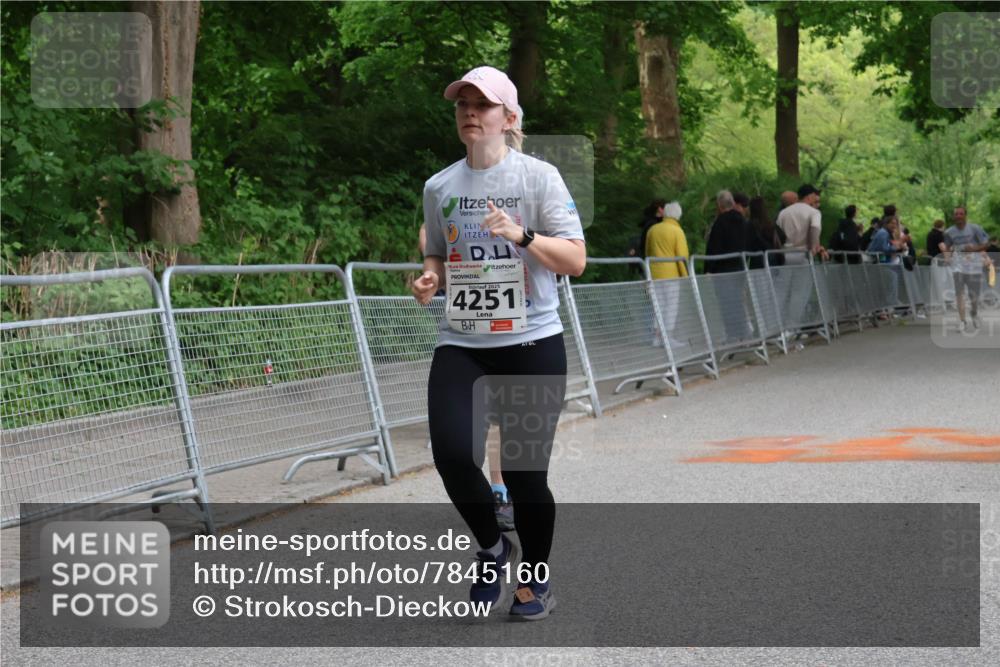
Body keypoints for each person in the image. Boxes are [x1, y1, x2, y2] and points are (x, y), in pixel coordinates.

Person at [413, 65, 585, 620]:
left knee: (524, 473)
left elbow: (575, 260)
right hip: (462, 342)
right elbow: (436, 251)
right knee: (451, 454)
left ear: (508, 118)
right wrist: (431, 277)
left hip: (531, 341)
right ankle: (492, 546)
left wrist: (522, 235)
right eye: (462, 103)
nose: (470, 111)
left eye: (482, 104)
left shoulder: (538, 178)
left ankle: (534, 579)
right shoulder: (439, 186)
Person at [419, 222, 513, 532]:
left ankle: (500, 490)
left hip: (508, 327)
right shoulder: (443, 206)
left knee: (499, 414)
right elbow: (429, 244)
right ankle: (483, 492)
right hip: (463, 333)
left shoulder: (508, 211)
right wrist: (435, 273)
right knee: (467, 425)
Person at [775, 184, 823, 333]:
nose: (816, 198)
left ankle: (776, 326)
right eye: (814, 195)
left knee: (781, 292)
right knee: (799, 293)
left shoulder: (783, 213)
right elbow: (814, 230)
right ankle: (792, 327)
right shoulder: (814, 212)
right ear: (809, 196)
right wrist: (815, 247)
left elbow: (777, 235)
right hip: (803, 255)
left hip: (785, 255)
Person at [706, 190, 753, 341]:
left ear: (719, 206)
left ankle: (732, 334)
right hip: (739, 266)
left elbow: (714, 247)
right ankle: (743, 333)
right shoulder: (742, 220)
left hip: (723, 269)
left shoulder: (720, 222)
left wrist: (709, 269)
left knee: (726, 302)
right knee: (738, 301)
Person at [645, 201, 689, 349]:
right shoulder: (677, 231)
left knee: (658, 305)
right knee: (671, 306)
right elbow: (681, 257)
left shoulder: (652, 230)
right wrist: (686, 276)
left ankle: (657, 338)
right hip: (671, 275)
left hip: (654, 273)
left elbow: (647, 252)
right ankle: (668, 337)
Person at [940, 206, 990, 331]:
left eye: (961, 214)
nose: (958, 216)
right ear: (953, 216)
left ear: (965, 215)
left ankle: (974, 313)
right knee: (959, 293)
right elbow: (947, 247)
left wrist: (974, 249)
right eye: (956, 214)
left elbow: (986, 244)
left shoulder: (975, 228)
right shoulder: (949, 232)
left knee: (974, 295)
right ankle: (962, 321)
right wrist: (947, 258)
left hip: (974, 265)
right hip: (958, 266)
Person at [747, 195, 786, 269]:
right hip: (773, 258)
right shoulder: (770, 224)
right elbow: (782, 237)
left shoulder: (750, 225)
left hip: (757, 259)